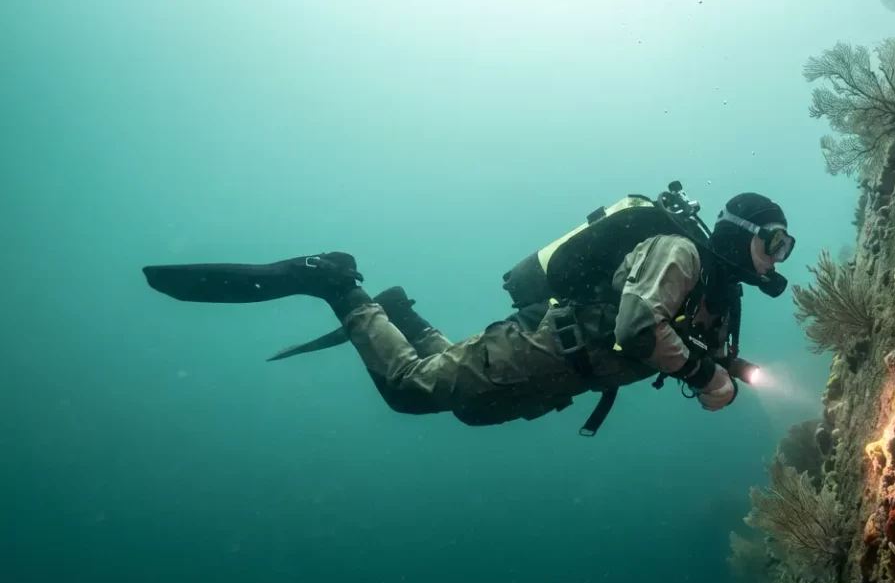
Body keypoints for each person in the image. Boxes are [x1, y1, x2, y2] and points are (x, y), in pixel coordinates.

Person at [143, 184, 794, 435]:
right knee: (412, 392)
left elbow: (689, 346)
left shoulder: (721, 293)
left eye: (783, 248)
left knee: (469, 411)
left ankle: (403, 316)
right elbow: (637, 326)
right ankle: (337, 285)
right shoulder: (681, 252)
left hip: (567, 372)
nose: (777, 258)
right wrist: (702, 376)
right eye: (774, 242)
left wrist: (725, 369)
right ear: (740, 232)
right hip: (550, 344)